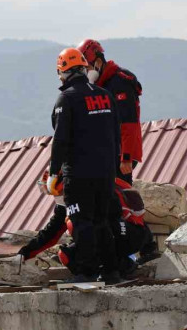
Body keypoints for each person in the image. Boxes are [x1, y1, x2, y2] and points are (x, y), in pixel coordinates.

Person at [44, 47, 121, 283]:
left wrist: (54, 171)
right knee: (102, 221)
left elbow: (60, 139)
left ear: (63, 71)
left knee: (82, 221)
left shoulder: (66, 98)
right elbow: (116, 134)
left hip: (79, 173)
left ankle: (86, 272)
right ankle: (111, 271)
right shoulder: (105, 95)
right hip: (106, 172)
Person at [77, 39, 158, 262]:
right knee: (113, 200)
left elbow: (128, 124)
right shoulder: (100, 85)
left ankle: (147, 246)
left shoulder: (119, 82)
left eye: (89, 67)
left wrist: (126, 157)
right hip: (106, 152)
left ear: (99, 61)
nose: (87, 72)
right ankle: (131, 246)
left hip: (121, 154)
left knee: (123, 200)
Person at [18, 177, 151, 278]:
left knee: (84, 226)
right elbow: (51, 233)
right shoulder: (68, 204)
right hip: (115, 234)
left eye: (59, 193)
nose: (57, 197)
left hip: (129, 233)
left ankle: (114, 268)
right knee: (66, 255)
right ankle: (119, 266)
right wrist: (25, 253)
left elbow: (133, 220)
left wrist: (148, 248)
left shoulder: (95, 189)